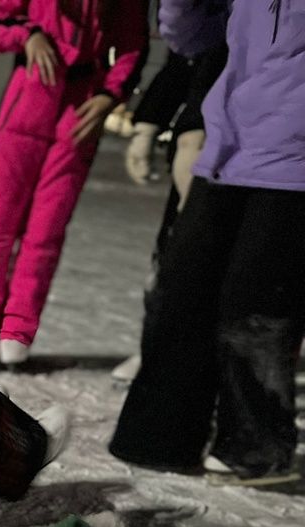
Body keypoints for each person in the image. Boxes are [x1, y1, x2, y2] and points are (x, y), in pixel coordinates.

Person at [109, 0, 304, 485]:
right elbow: (192, 38)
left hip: (294, 161)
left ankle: (256, 445)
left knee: (256, 305)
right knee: (183, 290)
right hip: (228, 145)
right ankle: (159, 436)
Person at [0, 0, 148, 367]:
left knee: (47, 228)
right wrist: (29, 34)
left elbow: (133, 46)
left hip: (81, 106)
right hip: (30, 91)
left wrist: (110, 94)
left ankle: (18, 328)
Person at [113, 40, 226, 384]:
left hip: (262, 144)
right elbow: (186, 51)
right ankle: (156, 346)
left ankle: (227, 362)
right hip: (198, 134)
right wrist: (148, 124)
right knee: (174, 248)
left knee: (237, 258)